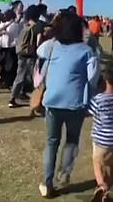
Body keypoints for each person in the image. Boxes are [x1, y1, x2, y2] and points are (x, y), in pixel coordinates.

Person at [36, 11, 100, 198]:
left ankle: (47, 183)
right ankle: (64, 173)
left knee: (51, 142)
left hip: (52, 102)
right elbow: (93, 78)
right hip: (76, 103)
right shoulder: (86, 51)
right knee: (72, 140)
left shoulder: (51, 46)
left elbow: (39, 51)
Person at [89, 60, 113, 202]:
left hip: (101, 140)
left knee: (97, 162)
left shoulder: (99, 99)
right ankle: (107, 194)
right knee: (110, 165)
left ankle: (101, 186)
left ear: (105, 77)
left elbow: (91, 112)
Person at [9, 5, 43, 108]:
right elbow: (38, 41)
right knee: (35, 78)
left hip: (21, 53)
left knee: (19, 76)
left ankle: (12, 98)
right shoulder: (37, 26)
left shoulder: (25, 24)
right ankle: (37, 101)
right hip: (31, 55)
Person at [0, 9, 21, 89]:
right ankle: (8, 82)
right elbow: (18, 36)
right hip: (11, 47)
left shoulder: (2, 24)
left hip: (2, 47)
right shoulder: (15, 25)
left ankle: (1, 79)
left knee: (3, 64)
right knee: (11, 66)